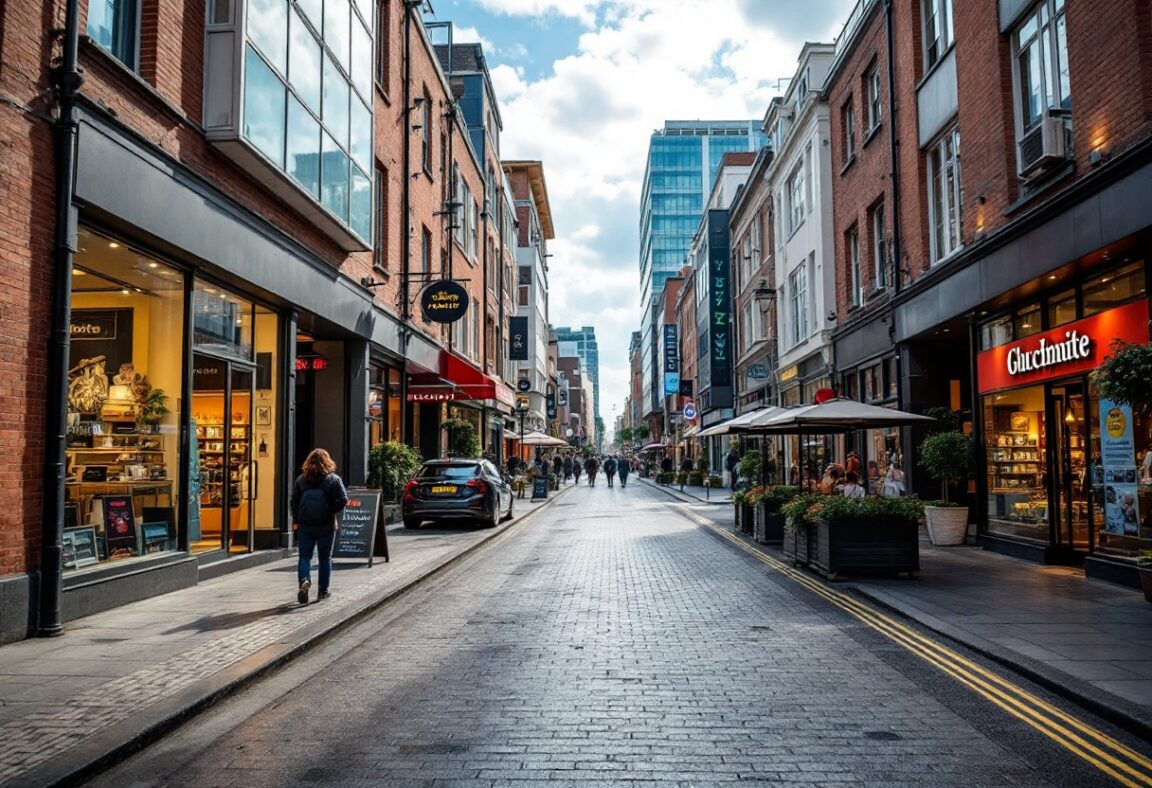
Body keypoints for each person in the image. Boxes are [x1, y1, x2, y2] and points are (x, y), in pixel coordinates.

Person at [291, 448, 349, 605]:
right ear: (327, 461)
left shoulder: (301, 480)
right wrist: (331, 512)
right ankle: (323, 591)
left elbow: (294, 502)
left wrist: (296, 520)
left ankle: (304, 580)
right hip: (326, 525)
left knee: (304, 556)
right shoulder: (333, 479)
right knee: (324, 557)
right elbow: (343, 499)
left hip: (305, 525)